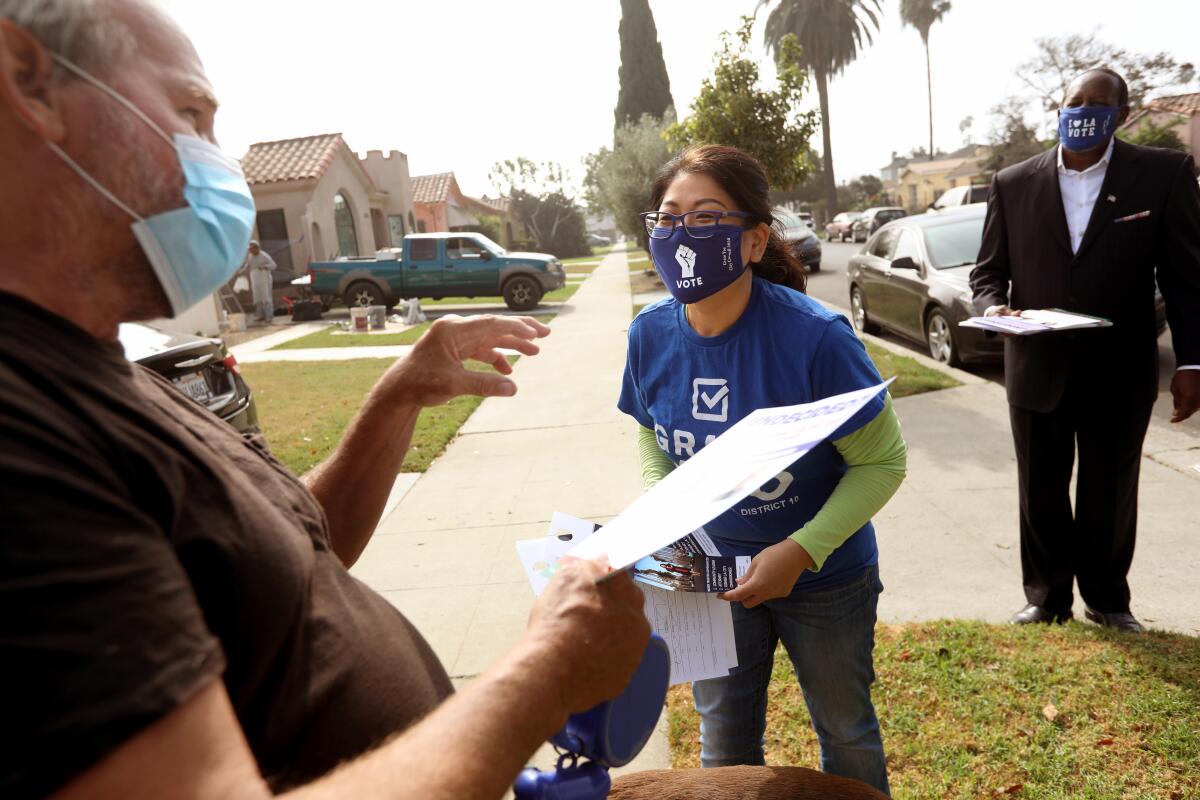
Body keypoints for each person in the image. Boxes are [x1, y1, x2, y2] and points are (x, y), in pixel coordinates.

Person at [0, 2, 651, 797]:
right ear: (27, 79)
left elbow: (289, 556)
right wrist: (549, 672)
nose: (220, 162)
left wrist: (397, 396)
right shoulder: (22, 427)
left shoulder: (101, 364)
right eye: (190, 114)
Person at [619, 145, 907, 795]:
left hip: (826, 576)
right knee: (724, 742)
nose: (682, 234)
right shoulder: (649, 335)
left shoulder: (818, 339)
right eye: (668, 218)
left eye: (706, 216)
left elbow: (882, 462)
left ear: (754, 241)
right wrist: (667, 511)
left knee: (845, 730)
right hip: (711, 576)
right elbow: (652, 436)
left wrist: (800, 551)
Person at [970, 68, 1200, 633]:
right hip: (1036, 367)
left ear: (1122, 115)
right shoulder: (1013, 181)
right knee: (1040, 490)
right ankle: (1046, 599)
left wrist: (1192, 363)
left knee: (1110, 491)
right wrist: (994, 306)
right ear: (1059, 106)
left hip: (1118, 370)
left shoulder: (1163, 174)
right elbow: (988, 271)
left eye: (1099, 104)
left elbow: (1187, 278)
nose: (1084, 111)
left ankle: (1107, 600)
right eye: (1075, 101)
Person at [243, 239, 277, 323]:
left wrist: (265, 266)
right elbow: (247, 265)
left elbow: (273, 265)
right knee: (257, 298)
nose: (250, 251)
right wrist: (240, 272)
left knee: (266, 297)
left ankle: (269, 316)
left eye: (252, 249)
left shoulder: (264, 256)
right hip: (255, 279)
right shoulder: (250, 256)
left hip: (265, 280)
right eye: (249, 249)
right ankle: (260, 315)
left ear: (257, 248)